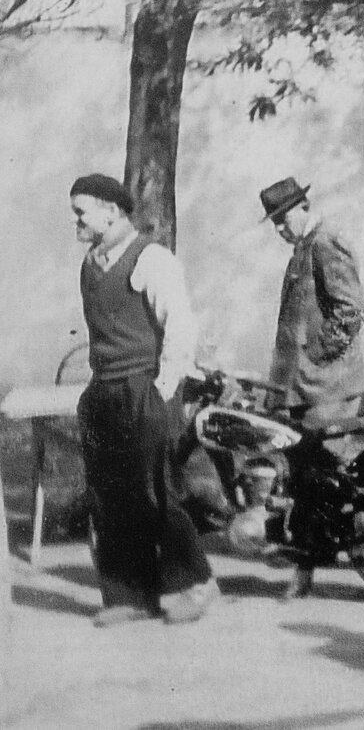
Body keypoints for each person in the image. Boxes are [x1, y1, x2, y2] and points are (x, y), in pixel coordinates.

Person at [69, 174, 216, 627]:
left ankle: (196, 584)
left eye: (81, 211)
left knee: (156, 492)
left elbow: (180, 327)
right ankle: (130, 595)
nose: (75, 220)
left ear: (111, 211)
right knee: (108, 496)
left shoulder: (151, 258)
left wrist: (163, 389)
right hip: (104, 390)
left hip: (144, 388)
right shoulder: (91, 264)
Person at [260, 176, 364, 599]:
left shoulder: (325, 243)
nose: (280, 228)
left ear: (302, 207)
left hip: (326, 386)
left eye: (282, 218)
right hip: (304, 388)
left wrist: (315, 358)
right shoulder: (303, 248)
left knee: (321, 477)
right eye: (274, 222)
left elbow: (351, 311)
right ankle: (307, 564)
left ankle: (312, 568)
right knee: (307, 476)